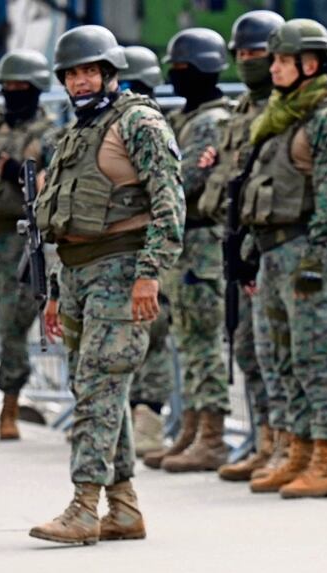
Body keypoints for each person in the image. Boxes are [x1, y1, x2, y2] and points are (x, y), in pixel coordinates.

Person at [29, 25, 184, 544]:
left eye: (90, 70)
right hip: (77, 274)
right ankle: (122, 506)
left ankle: (83, 506)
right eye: (73, 73)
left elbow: (169, 202)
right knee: (98, 387)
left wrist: (149, 274)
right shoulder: (77, 132)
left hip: (121, 271)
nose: (81, 80)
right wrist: (55, 289)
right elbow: (63, 213)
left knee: (98, 386)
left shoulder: (137, 122)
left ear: (111, 74)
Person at [239, 19, 327, 498]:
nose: (275, 68)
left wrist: (316, 261)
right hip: (273, 253)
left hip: (308, 256)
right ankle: (296, 451)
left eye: (284, 61)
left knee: (312, 360)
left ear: (310, 64)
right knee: (277, 358)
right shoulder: (279, 115)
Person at [196, 9, 289, 482]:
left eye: (257, 54)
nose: (248, 62)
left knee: (275, 353)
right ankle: (264, 439)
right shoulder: (239, 114)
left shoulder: (283, 111)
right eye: (242, 55)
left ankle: (285, 446)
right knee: (250, 350)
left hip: (269, 246)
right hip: (235, 245)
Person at [143, 28, 232, 473]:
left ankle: (211, 434)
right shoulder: (183, 118)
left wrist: (162, 182)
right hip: (182, 246)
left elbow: (181, 181)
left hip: (201, 243)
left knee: (202, 344)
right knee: (186, 341)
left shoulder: (213, 122)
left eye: (184, 69)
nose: (177, 77)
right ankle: (193, 428)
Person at [117, 45, 176, 458]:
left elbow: (168, 195)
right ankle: (129, 421)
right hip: (123, 247)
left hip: (156, 246)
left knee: (152, 332)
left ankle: (150, 420)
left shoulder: (150, 129)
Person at [0, 49, 54, 440]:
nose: (14, 92)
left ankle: (11, 404)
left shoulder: (49, 135)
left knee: (13, 323)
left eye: (22, 86)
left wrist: (15, 171)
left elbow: (51, 185)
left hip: (19, 238)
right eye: (8, 86)